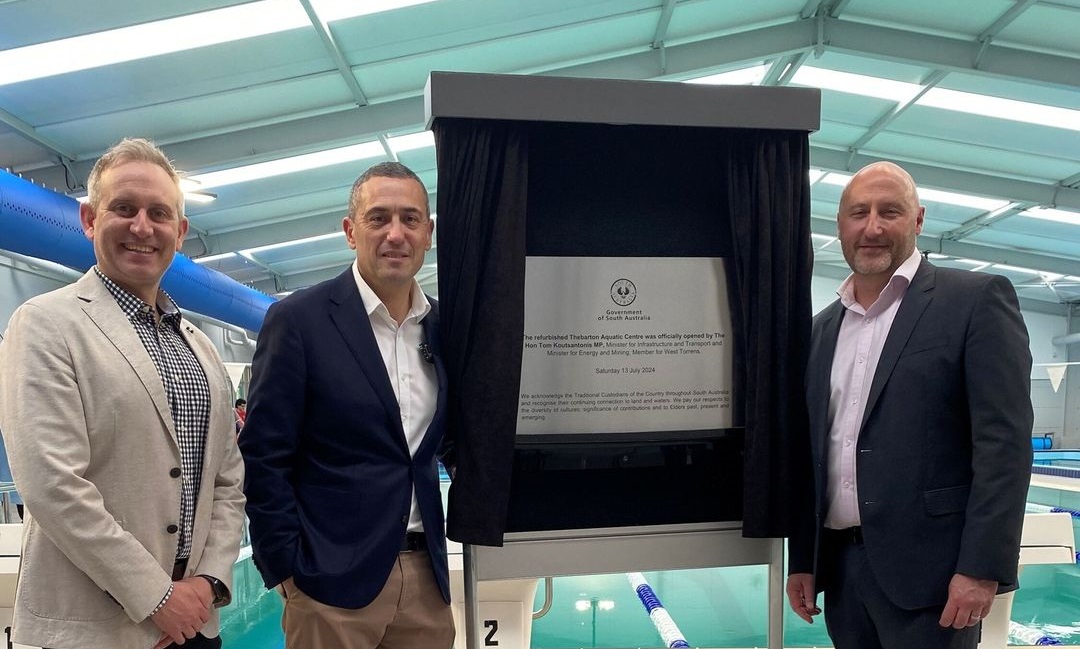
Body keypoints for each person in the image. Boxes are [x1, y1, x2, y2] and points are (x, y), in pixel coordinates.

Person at [0, 138, 246, 649]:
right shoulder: (47, 325)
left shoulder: (198, 346)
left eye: (159, 213)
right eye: (124, 209)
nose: (142, 227)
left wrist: (208, 583)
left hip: (196, 625)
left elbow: (227, 481)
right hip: (94, 631)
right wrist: (157, 597)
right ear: (90, 219)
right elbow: (52, 485)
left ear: (179, 232)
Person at [785, 161, 1033, 648]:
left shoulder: (974, 301)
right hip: (843, 571)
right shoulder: (820, 330)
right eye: (859, 213)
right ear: (840, 224)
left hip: (935, 581)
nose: (872, 227)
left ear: (917, 220)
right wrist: (805, 560)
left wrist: (980, 569)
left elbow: (1003, 446)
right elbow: (814, 454)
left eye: (889, 212)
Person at [239, 161, 454, 649]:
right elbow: (264, 455)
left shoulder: (443, 328)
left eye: (410, 219)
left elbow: (449, 441)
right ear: (350, 231)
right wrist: (286, 573)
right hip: (328, 587)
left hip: (426, 583)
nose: (395, 234)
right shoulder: (298, 321)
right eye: (378, 218)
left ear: (429, 233)